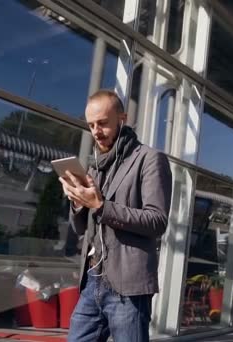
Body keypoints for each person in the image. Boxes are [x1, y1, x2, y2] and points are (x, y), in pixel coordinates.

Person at [58, 90, 172, 342]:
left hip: (128, 287)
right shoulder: (94, 167)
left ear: (123, 118)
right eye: (90, 125)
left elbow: (157, 221)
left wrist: (100, 205)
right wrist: (77, 202)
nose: (96, 131)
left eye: (102, 123)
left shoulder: (150, 159)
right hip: (93, 280)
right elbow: (80, 228)